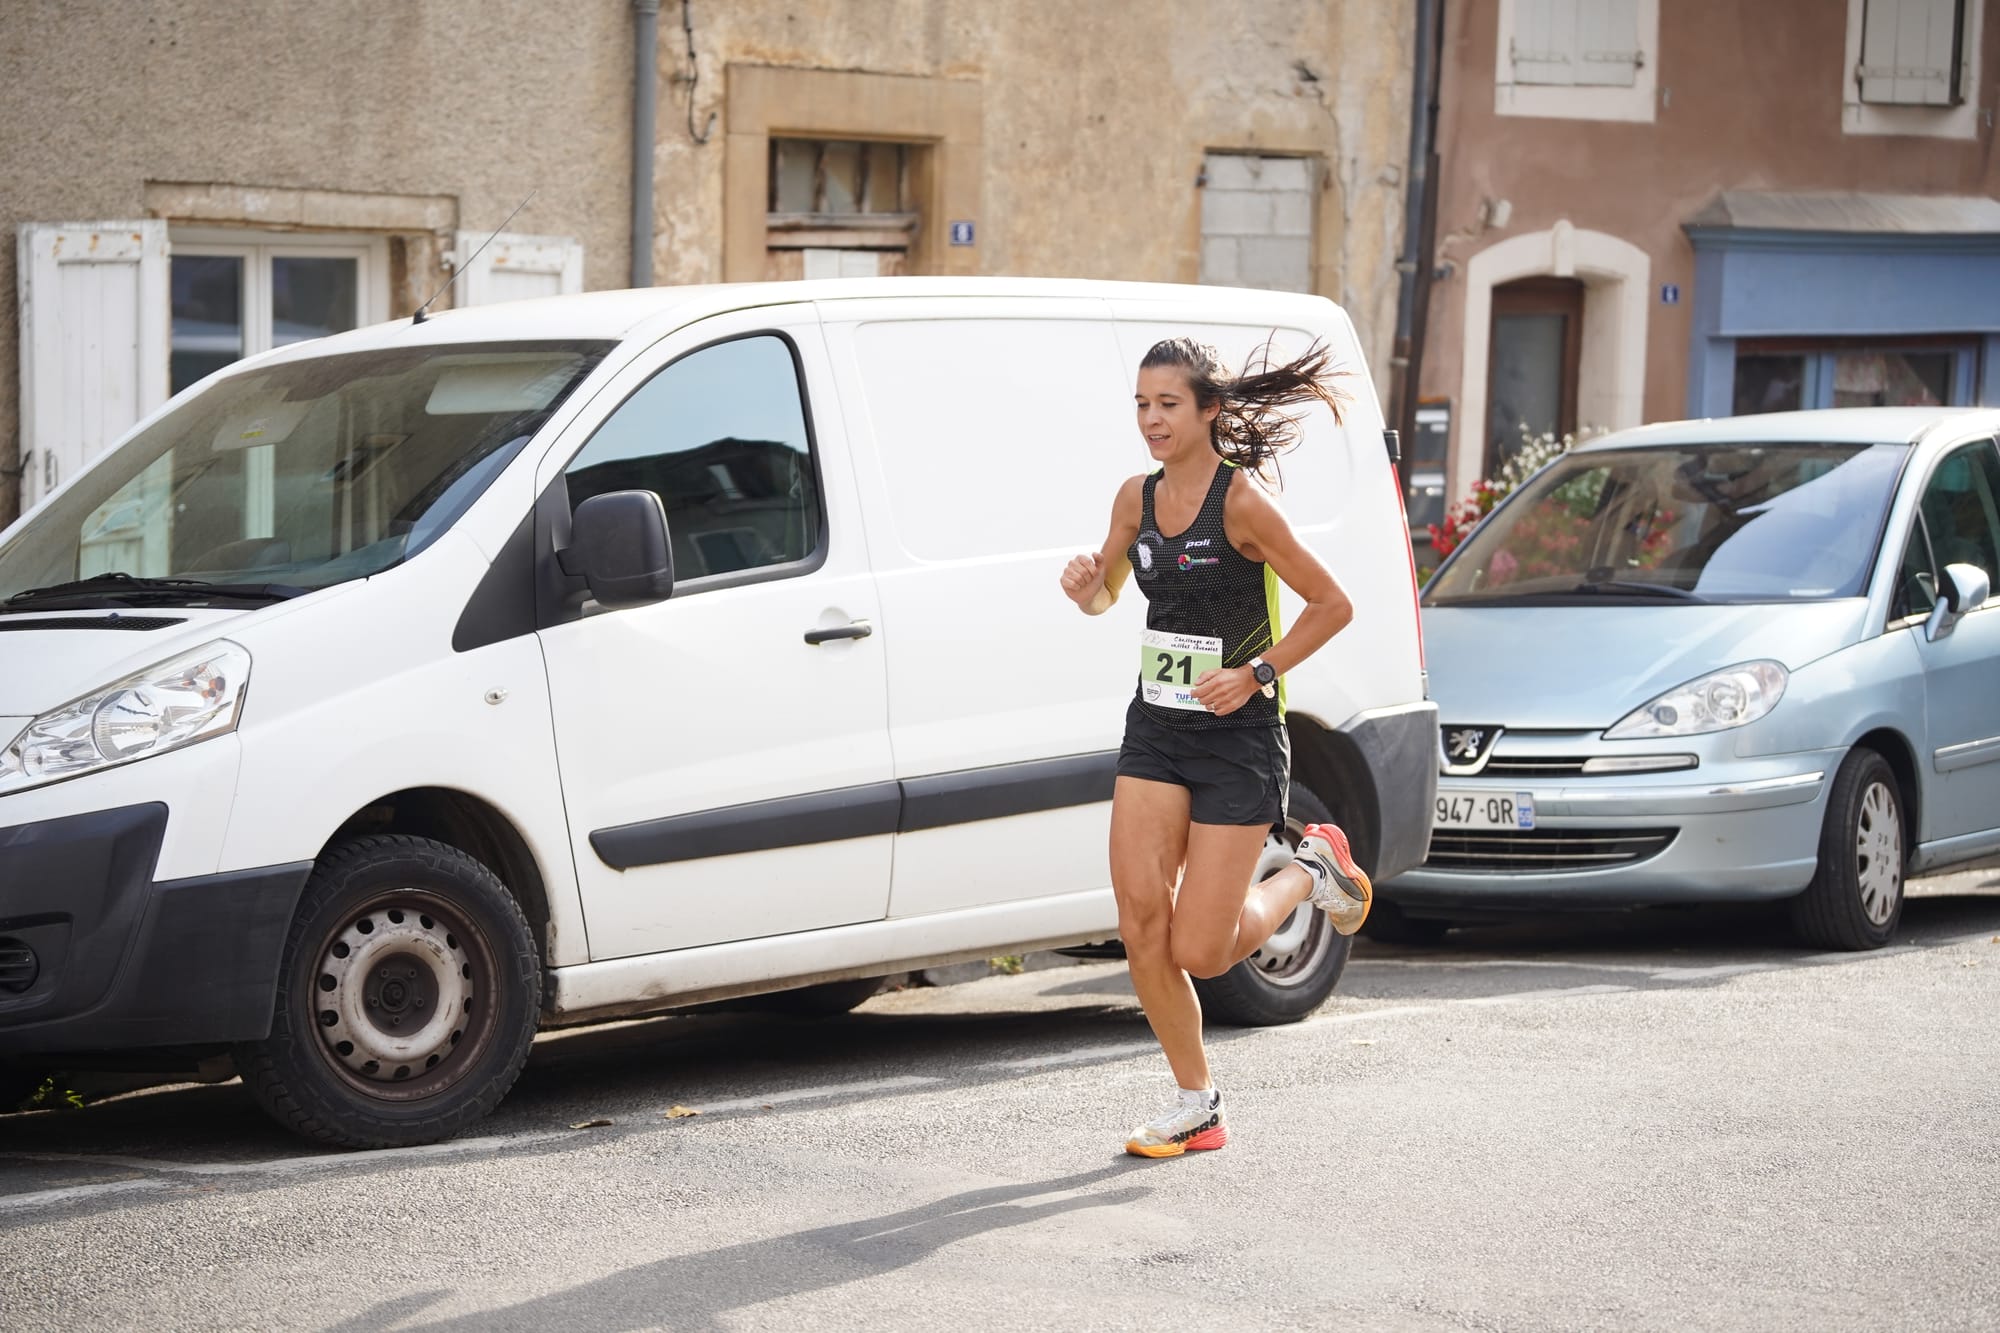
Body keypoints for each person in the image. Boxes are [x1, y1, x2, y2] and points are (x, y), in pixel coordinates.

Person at [1058, 336, 1371, 1159]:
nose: (1151, 419)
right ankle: (1196, 1101)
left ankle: (1311, 869)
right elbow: (1106, 596)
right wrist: (1086, 584)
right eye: (1140, 404)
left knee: (1201, 947)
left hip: (1237, 739)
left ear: (1209, 412)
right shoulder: (1135, 497)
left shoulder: (1241, 504)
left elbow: (1332, 604)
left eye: (1167, 404)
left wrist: (1256, 672)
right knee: (1139, 923)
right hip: (1157, 729)